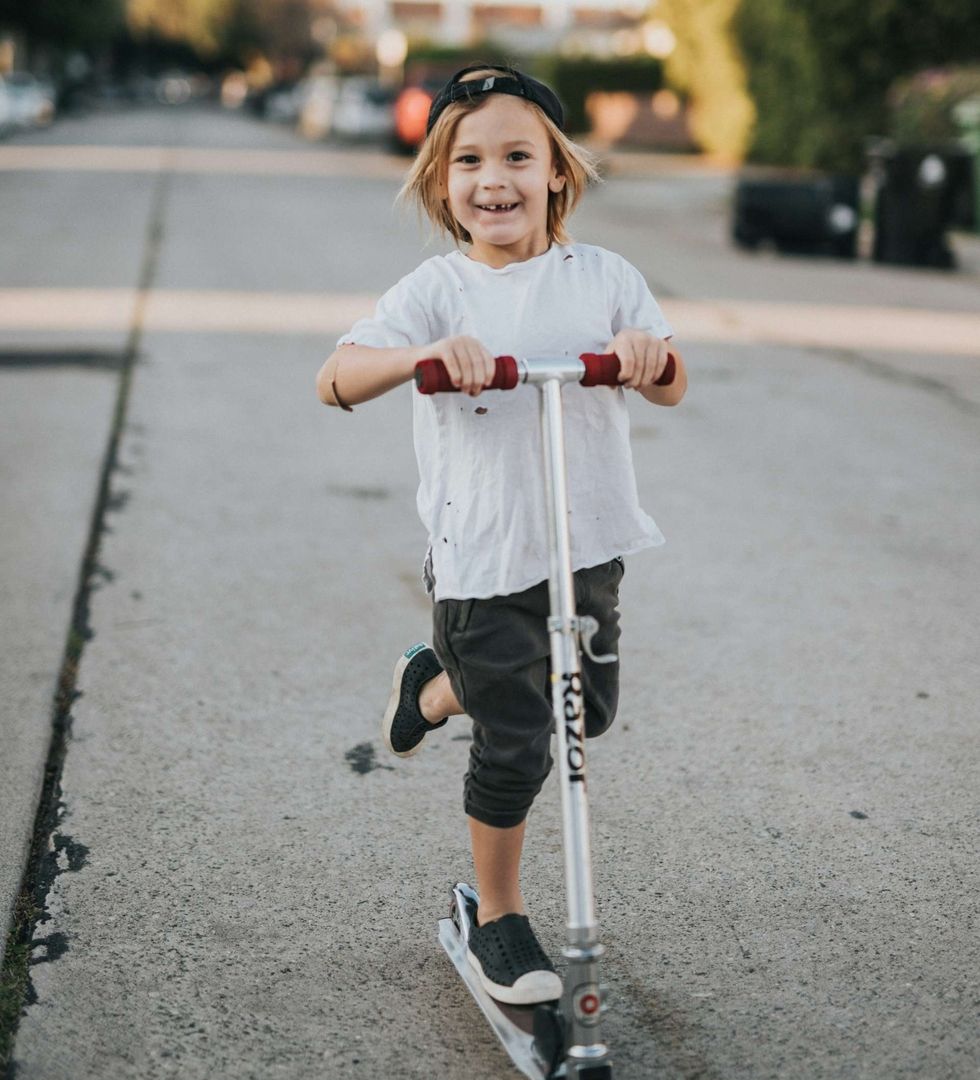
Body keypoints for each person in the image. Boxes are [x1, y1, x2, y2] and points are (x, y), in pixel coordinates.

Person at [316, 64, 686, 1006]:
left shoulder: (605, 278)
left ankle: (435, 687)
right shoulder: (436, 290)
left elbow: (673, 382)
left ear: (557, 171)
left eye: (518, 156)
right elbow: (336, 377)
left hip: (586, 543)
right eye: (470, 161)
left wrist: (647, 358)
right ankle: (500, 915)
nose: (495, 179)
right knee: (520, 739)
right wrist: (422, 356)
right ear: (442, 183)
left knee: (584, 715)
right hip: (482, 555)